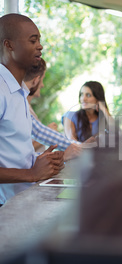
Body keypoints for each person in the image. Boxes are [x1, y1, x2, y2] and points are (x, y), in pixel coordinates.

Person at [0, 13, 64, 204]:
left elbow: (11, 152)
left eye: (39, 40)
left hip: (20, 202)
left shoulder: (18, 91)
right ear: (9, 45)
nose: (40, 46)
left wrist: (40, 161)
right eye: (32, 40)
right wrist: (31, 173)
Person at [24, 58, 81, 160]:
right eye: (42, 79)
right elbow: (22, 154)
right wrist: (63, 156)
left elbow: (40, 132)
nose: (42, 85)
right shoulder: (19, 103)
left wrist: (80, 148)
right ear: (36, 79)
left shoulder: (22, 103)